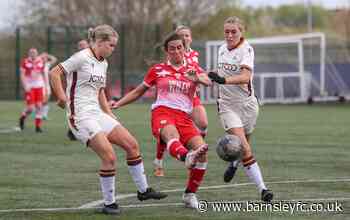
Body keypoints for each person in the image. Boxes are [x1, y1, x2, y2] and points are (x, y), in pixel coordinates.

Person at [49, 25, 167, 215]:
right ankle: (109, 204)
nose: (113, 49)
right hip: (80, 115)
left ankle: (144, 191)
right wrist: (62, 97)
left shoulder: (103, 63)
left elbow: (100, 91)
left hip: (96, 113)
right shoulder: (82, 57)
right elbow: (54, 72)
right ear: (100, 42)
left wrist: (108, 114)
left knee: (132, 145)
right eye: (111, 45)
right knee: (109, 157)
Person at [111, 32, 211, 209]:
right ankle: (185, 156)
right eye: (172, 48)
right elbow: (138, 91)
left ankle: (189, 195)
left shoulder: (192, 69)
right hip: (162, 112)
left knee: (202, 154)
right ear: (166, 51)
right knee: (171, 135)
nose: (176, 51)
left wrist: (196, 78)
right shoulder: (157, 70)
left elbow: (207, 81)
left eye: (179, 47)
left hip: (184, 116)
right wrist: (118, 104)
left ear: (184, 49)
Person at [208, 17, 273, 202]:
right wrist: (206, 76)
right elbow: (221, 73)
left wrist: (222, 80)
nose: (229, 35)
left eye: (233, 32)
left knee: (245, 144)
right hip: (227, 106)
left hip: (249, 105)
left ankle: (234, 163)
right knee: (245, 148)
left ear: (241, 32)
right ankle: (263, 190)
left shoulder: (247, 50)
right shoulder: (221, 49)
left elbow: (245, 77)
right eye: (226, 31)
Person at [153, 25, 208, 177]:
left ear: (190, 39)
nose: (184, 38)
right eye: (181, 35)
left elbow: (195, 73)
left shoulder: (193, 55)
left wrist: (199, 77)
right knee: (167, 129)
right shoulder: (174, 52)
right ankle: (159, 160)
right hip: (173, 95)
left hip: (190, 95)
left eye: (187, 36)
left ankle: (194, 151)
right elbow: (170, 71)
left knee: (203, 123)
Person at [18, 48, 47, 132]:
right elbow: (22, 75)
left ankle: (38, 127)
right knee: (31, 108)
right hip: (30, 87)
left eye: (34, 52)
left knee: (39, 106)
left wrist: (45, 85)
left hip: (39, 86)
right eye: (31, 52)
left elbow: (43, 74)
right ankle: (22, 118)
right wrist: (25, 86)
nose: (33, 54)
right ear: (29, 54)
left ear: (37, 53)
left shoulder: (41, 61)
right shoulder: (25, 62)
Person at [66, 39, 90, 141]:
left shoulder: (90, 56)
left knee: (88, 111)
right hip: (77, 90)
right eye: (80, 45)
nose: (82, 47)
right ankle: (72, 131)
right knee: (77, 113)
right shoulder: (76, 57)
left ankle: (75, 131)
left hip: (88, 90)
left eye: (84, 45)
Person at [39, 52, 57, 120]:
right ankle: (39, 114)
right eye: (43, 58)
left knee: (46, 101)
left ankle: (44, 115)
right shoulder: (38, 64)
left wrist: (47, 55)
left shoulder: (47, 65)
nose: (44, 59)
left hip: (47, 85)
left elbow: (54, 59)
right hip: (40, 85)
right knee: (42, 101)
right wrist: (41, 56)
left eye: (45, 58)